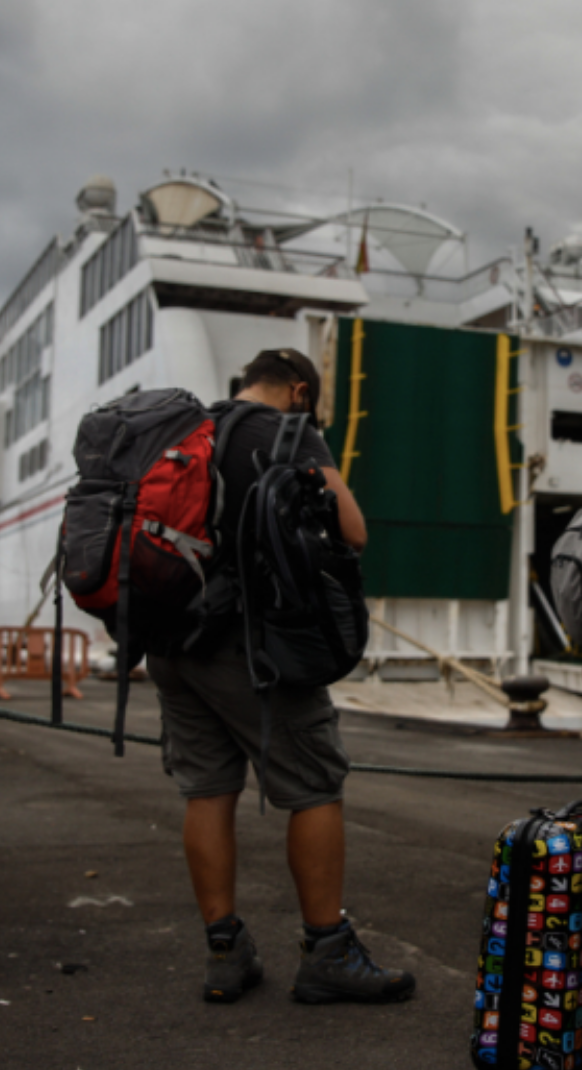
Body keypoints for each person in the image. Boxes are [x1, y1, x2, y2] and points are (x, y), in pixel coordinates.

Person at [145, 348, 415, 1006]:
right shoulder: (289, 430)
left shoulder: (187, 430)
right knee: (315, 785)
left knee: (207, 789)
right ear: (298, 390)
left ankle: (224, 951)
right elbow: (351, 529)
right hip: (250, 645)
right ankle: (327, 950)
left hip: (171, 641)